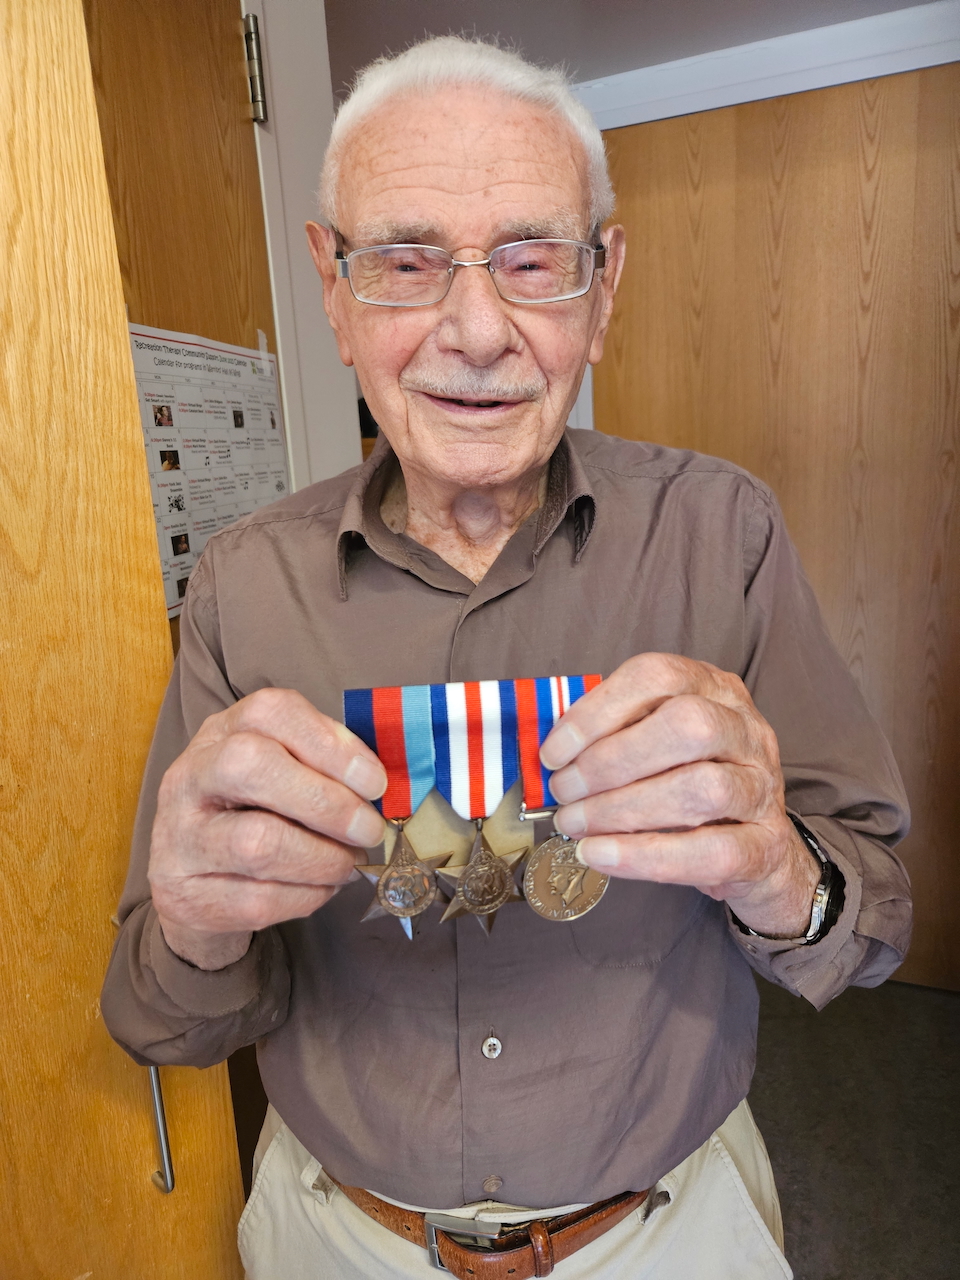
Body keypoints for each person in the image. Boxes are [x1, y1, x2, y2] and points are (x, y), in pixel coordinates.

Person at [101, 36, 911, 1280]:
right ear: (332, 288)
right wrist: (198, 924)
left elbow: (878, 917)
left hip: (672, 1228)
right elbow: (155, 1014)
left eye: (533, 260)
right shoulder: (241, 589)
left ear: (604, 284)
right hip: (336, 1236)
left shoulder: (725, 534)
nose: (476, 331)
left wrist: (782, 869)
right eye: (404, 261)